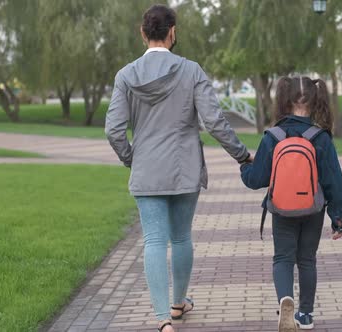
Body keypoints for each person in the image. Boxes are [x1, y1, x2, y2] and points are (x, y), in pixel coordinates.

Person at [105, 4, 252, 332]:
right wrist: (242, 155)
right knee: (181, 236)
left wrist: (132, 158)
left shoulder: (126, 76)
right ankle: (178, 303)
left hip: (147, 170)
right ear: (173, 32)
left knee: (154, 240)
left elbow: (113, 130)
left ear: (143, 34)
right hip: (184, 168)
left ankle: (162, 320)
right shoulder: (191, 70)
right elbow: (213, 121)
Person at [240, 76, 342, 331]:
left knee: (283, 259)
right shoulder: (320, 138)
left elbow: (257, 179)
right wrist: (339, 218)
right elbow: (334, 181)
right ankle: (306, 315)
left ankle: (285, 300)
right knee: (307, 260)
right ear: (315, 101)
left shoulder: (273, 136)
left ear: (284, 101)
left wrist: (245, 166)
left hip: (282, 209)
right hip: (313, 208)